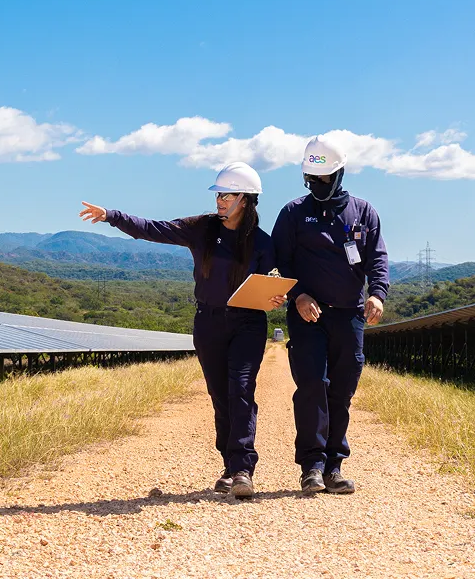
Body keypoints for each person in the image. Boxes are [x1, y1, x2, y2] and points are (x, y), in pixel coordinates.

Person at [79, 162, 284, 498]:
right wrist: (111, 215)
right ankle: (230, 467)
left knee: (241, 389)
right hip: (208, 322)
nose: (219, 200)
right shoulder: (202, 228)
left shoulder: (262, 243)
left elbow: (271, 283)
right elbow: (154, 228)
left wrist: (275, 297)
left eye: (226, 195)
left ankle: (244, 467)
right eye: (218, 194)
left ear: (245, 200)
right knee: (220, 396)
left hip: (248, 323)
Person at [271, 136, 389, 495]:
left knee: (341, 391)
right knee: (312, 387)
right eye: (311, 180)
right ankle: (312, 467)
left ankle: (334, 467)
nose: (317, 186)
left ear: (339, 174)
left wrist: (377, 294)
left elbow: (377, 259)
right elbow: (279, 262)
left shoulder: (364, 212)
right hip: (309, 317)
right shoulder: (293, 213)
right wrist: (299, 294)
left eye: (323, 179)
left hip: (349, 317)